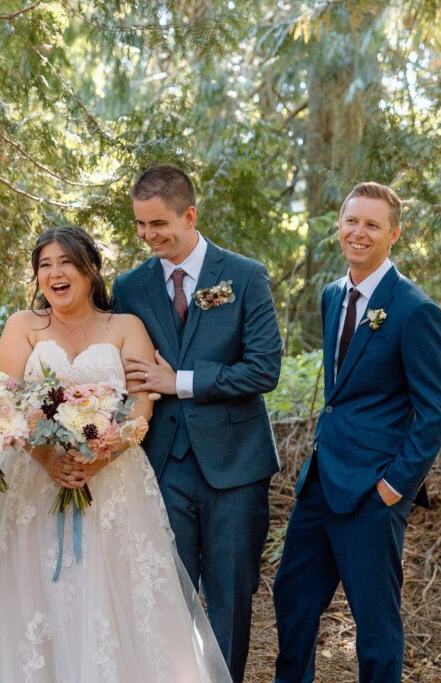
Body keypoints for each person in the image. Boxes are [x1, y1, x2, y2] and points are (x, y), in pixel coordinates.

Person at [0, 226, 231, 682]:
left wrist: (102, 454)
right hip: (36, 484)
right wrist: (46, 458)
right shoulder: (24, 326)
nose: (55, 273)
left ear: (91, 269)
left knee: (114, 596)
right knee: (40, 597)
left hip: (113, 482)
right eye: (45, 265)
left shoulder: (125, 326)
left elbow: (140, 403)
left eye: (66, 263)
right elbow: (6, 402)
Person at [272, 182, 441, 682]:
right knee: (293, 603)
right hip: (321, 481)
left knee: (374, 626)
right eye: (352, 220)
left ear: (394, 234)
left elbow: (436, 409)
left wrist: (396, 485)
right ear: (339, 225)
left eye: (372, 224)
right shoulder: (333, 295)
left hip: (374, 492)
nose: (359, 232)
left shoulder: (416, 310)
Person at [112, 165, 283, 683]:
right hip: (163, 464)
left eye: (158, 224)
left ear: (190, 215)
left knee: (231, 594)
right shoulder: (130, 287)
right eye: (140, 225)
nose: (148, 236)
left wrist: (179, 381)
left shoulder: (245, 275)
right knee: (167, 591)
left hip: (236, 466)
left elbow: (263, 368)